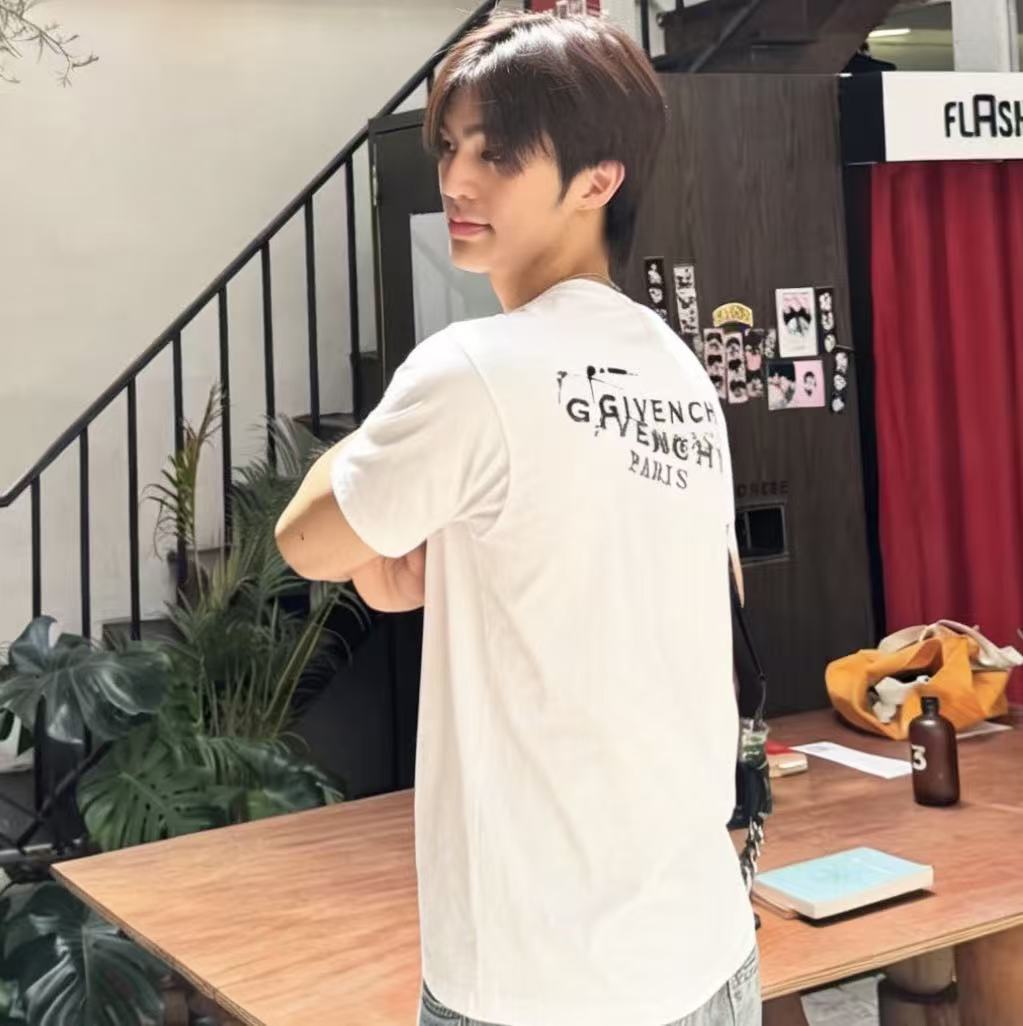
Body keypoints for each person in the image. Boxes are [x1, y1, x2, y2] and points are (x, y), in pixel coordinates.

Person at [275, 10, 759, 1026]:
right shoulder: (677, 370)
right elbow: (707, 593)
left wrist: (381, 507)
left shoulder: (474, 369)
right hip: (705, 947)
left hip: (536, 977)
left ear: (597, 179)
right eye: (450, 146)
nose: (456, 180)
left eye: (496, 154)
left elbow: (308, 538)